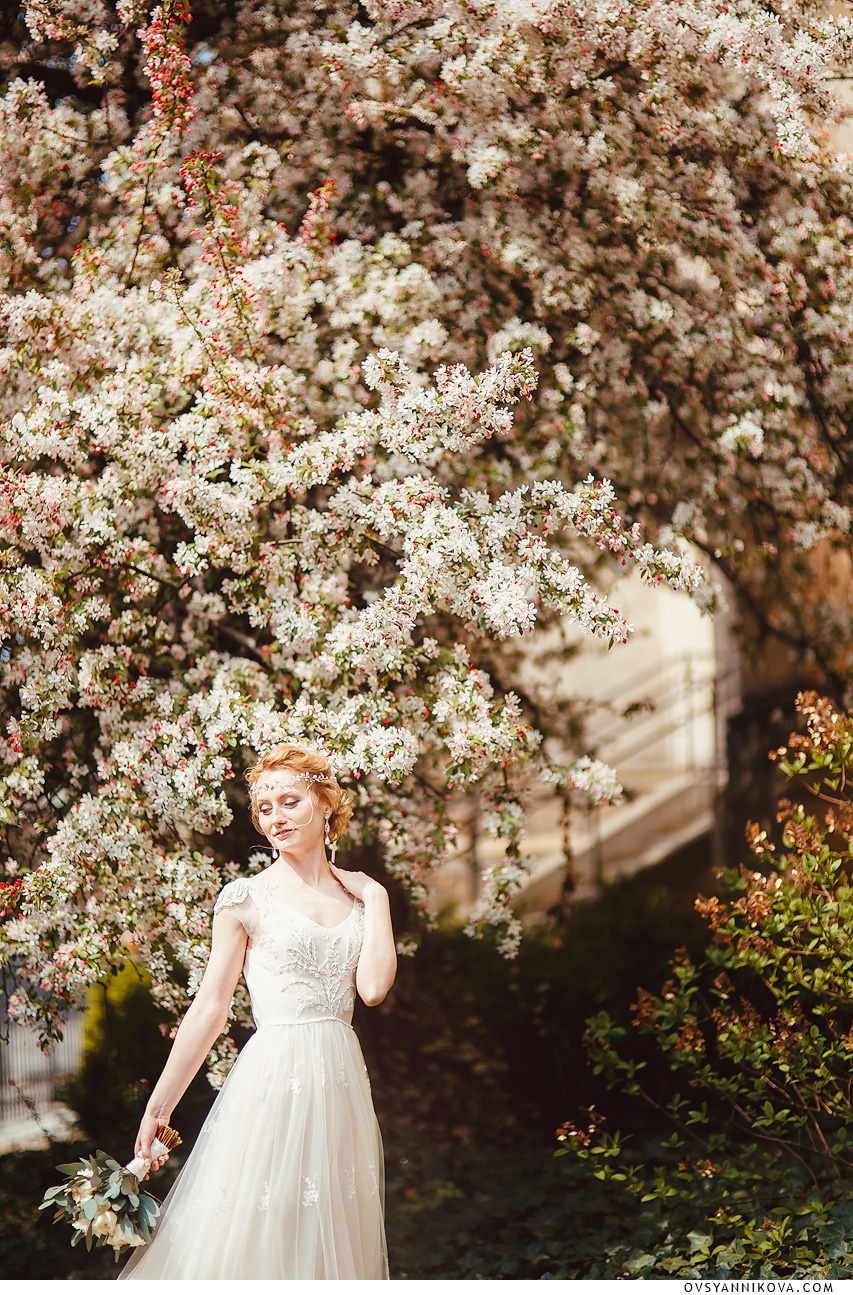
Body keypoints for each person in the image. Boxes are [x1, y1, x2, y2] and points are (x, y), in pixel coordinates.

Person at [118, 744, 396, 1280]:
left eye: (290, 802)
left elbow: (373, 989)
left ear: (324, 805)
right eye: (265, 808)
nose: (276, 818)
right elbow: (209, 1007)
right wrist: (160, 1107)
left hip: (340, 1083)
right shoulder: (245, 898)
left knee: (328, 1234)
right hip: (274, 1077)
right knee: (260, 1227)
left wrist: (378, 897)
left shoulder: (360, 900)